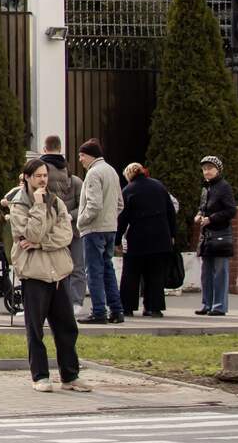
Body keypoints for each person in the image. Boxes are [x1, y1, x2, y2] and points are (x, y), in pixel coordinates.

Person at [9, 158, 90, 393]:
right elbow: (30, 233)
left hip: (58, 272)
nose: (43, 180)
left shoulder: (56, 202)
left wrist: (40, 244)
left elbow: (65, 234)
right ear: (26, 177)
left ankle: (70, 375)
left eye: (45, 175)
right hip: (35, 274)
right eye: (38, 176)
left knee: (67, 327)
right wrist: (37, 207)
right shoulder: (19, 205)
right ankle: (40, 376)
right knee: (35, 329)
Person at [76, 139, 125, 325]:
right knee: (108, 269)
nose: (80, 159)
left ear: (90, 155)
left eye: (81, 155)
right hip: (110, 228)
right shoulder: (111, 171)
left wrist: (81, 222)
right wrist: (110, 218)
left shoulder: (93, 173)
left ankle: (98, 312)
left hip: (93, 229)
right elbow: (120, 203)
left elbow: (94, 205)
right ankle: (117, 310)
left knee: (94, 271)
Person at [117, 163, 176, 318]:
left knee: (131, 274)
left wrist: (117, 239)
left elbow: (123, 218)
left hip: (138, 239)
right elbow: (171, 211)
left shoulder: (128, 190)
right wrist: (172, 234)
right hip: (161, 239)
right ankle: (154, 308)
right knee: (155, 275)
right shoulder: (159, 186)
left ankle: (127, 307)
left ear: (129, 175)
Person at [41, 134, 86, 314]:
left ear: (44, 149)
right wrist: (69, 215)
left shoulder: (39, 173)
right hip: (72, 228)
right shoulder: (74, 179)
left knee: (50, 267)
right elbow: (83, 206)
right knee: (76, 266)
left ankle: (51, 304)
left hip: (50, 228)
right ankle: (76, 303)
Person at [197, 155, 236, 317]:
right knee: (206, 273)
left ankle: (219, 306)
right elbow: (203, 207)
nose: (207, 171)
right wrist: (199, 214)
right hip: (207, 236)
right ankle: (207, 304)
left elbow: (231, 211)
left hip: (220, 235)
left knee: (220, 272)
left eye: (210, 168)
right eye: (204, 169)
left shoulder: (224, 187)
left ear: (218, 170)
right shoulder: (206, 188)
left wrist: (211, 219)